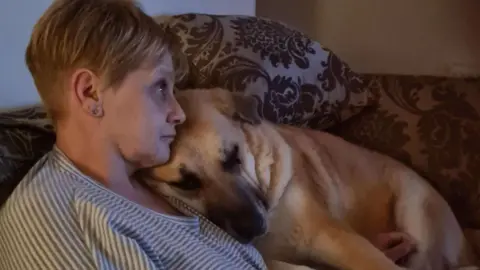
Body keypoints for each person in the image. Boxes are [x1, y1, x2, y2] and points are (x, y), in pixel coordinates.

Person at [0, 0, 415, 269]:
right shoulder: (55, 219)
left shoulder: (154, 184)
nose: (178, 111)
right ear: (90, 93)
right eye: (160, 87)